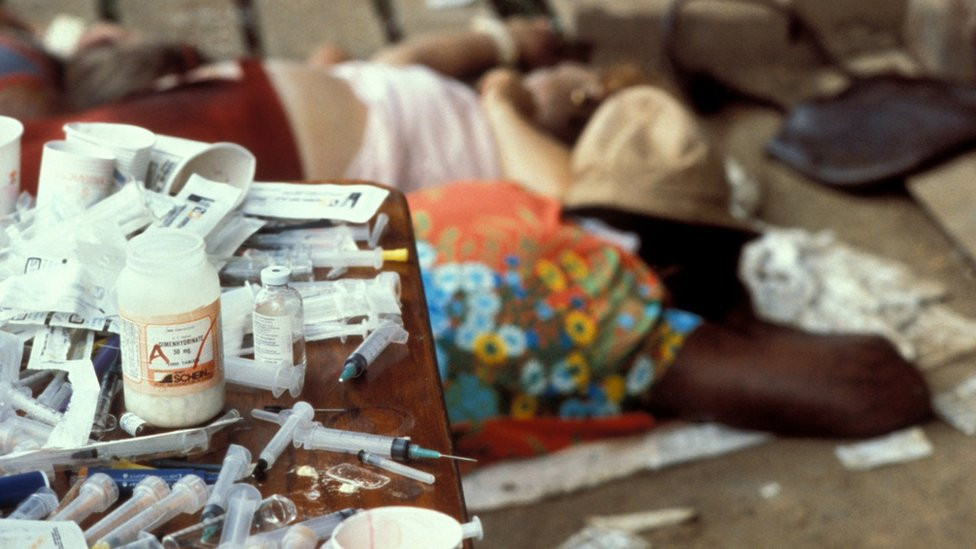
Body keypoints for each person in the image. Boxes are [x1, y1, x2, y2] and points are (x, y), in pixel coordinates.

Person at [0, 12, 933, 464]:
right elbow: (872, 390)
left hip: (279, 326)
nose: (565, 86)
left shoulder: (523, 230)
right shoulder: (571, 276)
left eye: (577, 101)